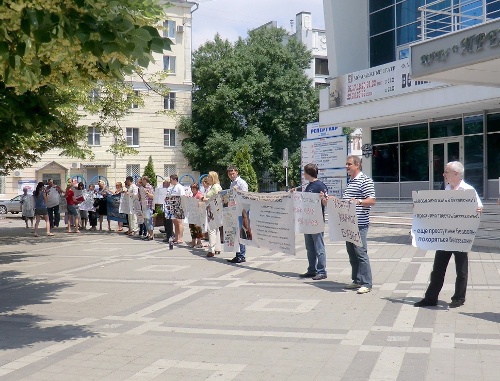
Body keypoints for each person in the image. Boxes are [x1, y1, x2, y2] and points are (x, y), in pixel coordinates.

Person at [414, 161, 483, 309]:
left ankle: (458, 298)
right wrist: (420, 205)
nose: (444, 174)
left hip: (460, 237)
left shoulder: (468, 190)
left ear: (456, 174)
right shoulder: (444, 189)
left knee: (461, 269)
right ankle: (430, 298)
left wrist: (478, 209)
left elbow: (479, 207)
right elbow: (434, 207)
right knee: (438, 269)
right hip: (445, 236)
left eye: (447, 172)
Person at [342, 155, 376, 294]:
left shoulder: (365, 180)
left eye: (349, 164)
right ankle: (356, 280)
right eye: (346, 164)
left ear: (357, 165)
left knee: (361, 253)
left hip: (359, 223)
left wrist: (360, 202)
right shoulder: (350, 181)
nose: (347, 166)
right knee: (352, 253)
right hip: (349, 223)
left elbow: (372, 200)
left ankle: (367, 283)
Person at [293, 164, 328, 280]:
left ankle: (322, 271)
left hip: (316, 222)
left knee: (319, 247)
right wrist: (295, 193)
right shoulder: (309, 185)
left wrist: (323, 198)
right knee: (309, 248)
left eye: (304, 172)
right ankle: (311, 270)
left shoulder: (320, 186)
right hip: (307, 221)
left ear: (308, 173)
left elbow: (325, 203)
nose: (303, 174)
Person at [226, 165, 249, 263]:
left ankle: (242, 255)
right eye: (230, 174)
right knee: (236, 234)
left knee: (241, 233)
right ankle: (237, 253)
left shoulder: (241, 183)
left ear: (237, 172)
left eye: (233, 173)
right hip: (234, 210)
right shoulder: (232, 184)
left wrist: (237, 191)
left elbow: (245, 195)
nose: (231, 175)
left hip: (241, 210)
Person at [203, 171, 222, 257]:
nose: (207, 178)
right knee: (216, 229)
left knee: (212, 230)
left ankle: (212, 249)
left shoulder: (215, 187)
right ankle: (217, 248)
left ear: (212, 178)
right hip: (214, 209)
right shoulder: (214, 186)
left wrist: (206, 199)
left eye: (209, 177)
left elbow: (216, 198)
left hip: (213, 209)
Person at [169, 174, 185, 244]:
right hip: (173, 206)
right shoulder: (173, 187)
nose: (170, 181)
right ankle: (176, 237)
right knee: (175, 223)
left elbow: (182, 196)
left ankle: (181, 238)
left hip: (179, 206)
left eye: (171, 180)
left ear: (175, 180)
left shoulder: (180, 187)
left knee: (179, 222)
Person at [188, 182, 204, 248]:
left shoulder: (199, 194)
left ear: (197, 188)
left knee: (198, 228)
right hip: (192, 214)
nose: (192, 190)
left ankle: (199, 242)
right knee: (192, 228)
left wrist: (199, 201)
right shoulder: (192, 195)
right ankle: (193, 241)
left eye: (194, 188)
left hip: (198, 214)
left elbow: (202, 199)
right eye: (192, 188)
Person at [141, 176, 155, 241]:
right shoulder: (142, 187)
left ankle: (151, 235)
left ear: (145, 180)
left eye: (142, 180)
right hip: (144, 206)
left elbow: (152, 196)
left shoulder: (149, 187)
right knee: (146, 221)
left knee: (149, 221)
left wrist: (147, 192)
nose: (141, 181)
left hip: (148, 206)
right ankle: (149, 234)